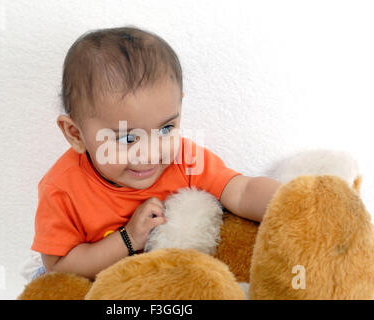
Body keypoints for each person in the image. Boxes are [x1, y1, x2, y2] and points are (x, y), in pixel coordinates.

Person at [30, 25, 282, 281]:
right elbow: (58, 268)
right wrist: (127, 238)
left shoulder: (184, 159)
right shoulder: (62, 189)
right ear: (75, 134)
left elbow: (240, 191)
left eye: (165, 129)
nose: (150, 154)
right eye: (127, 138)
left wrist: (289, 203)